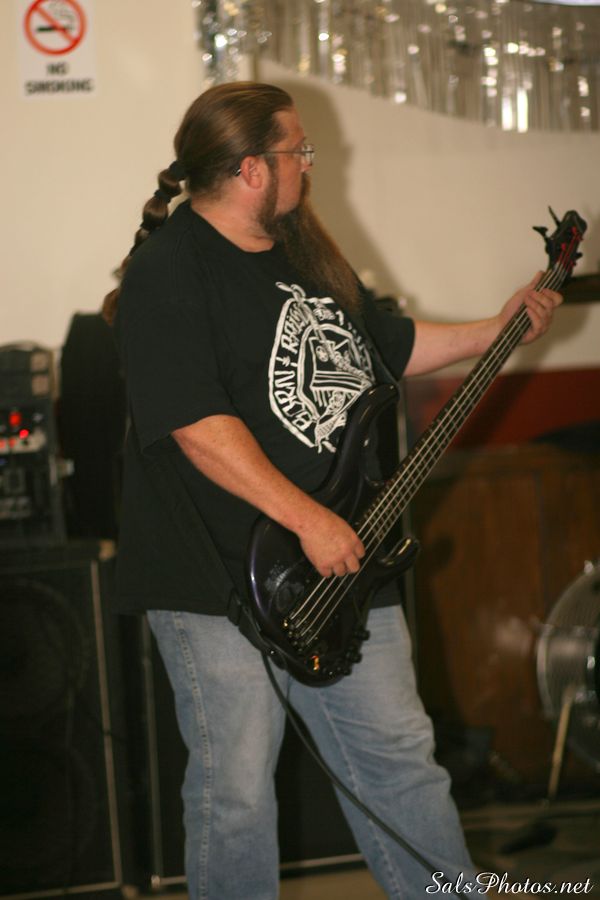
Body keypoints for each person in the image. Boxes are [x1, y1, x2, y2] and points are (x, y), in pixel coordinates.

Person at [104, 81, 561, 899]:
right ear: (251, 169)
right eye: (298, 152)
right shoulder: (168, 269)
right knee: (237, 794)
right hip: (218, 580)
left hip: (344, 561)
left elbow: (388, 345)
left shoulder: (305, 253)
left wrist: (498, 329)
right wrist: (307, 518)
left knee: (401, 764)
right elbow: (196, 425)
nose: (308, 166)